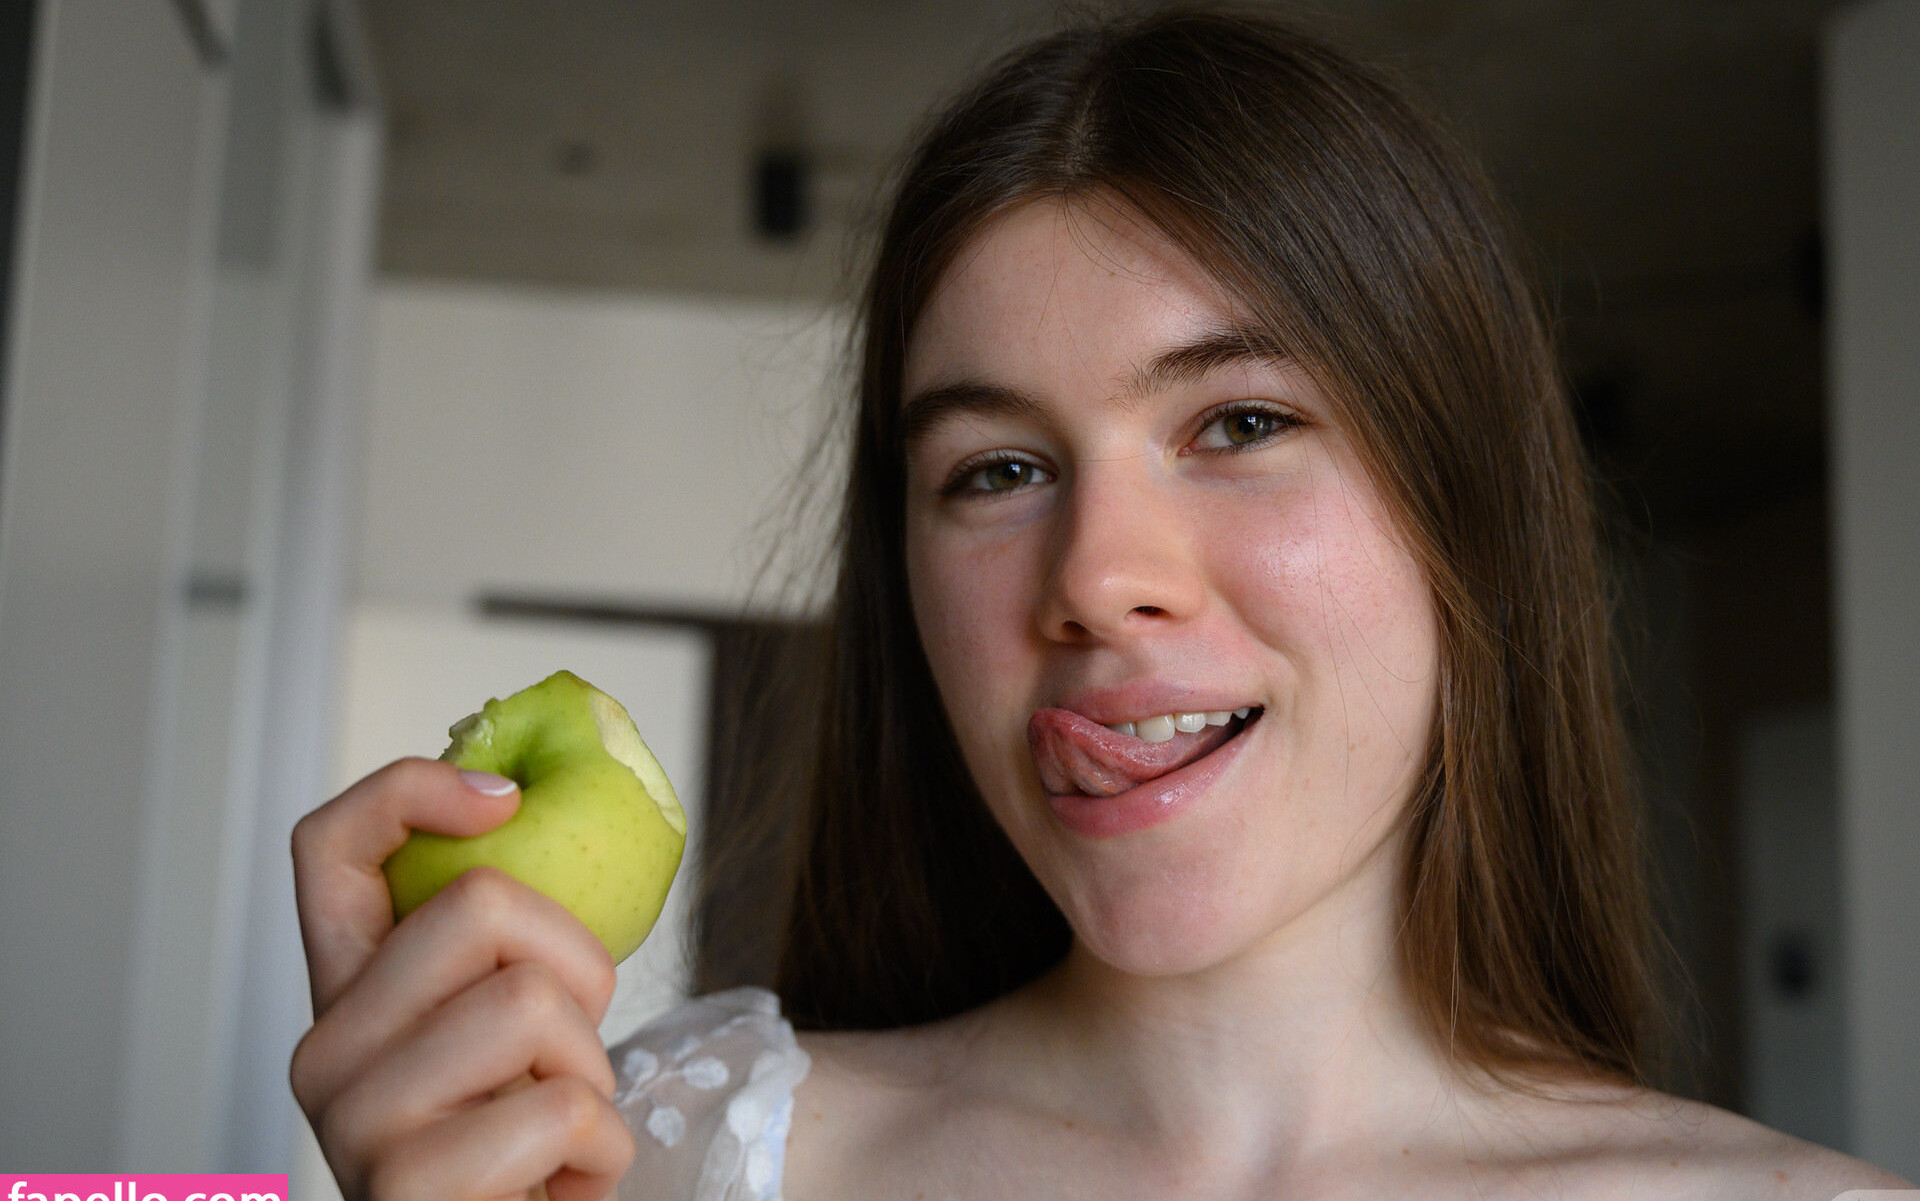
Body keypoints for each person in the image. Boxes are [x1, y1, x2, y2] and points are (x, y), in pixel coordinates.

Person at [289, 10, 1909, 1199]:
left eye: (1242, 423)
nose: (1093, 578)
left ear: (1465, 514)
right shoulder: (634, 1148)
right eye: (997, 470)